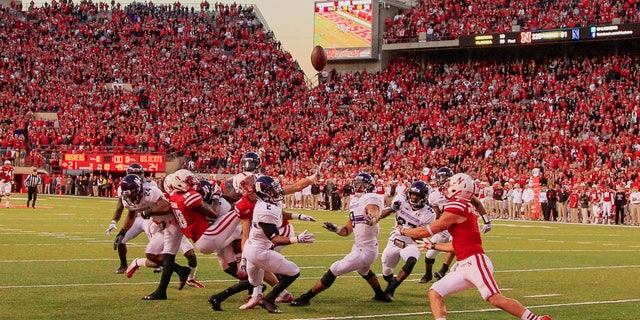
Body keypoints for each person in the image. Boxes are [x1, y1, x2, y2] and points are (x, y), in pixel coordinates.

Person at [399, 173, 552, 320]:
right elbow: (458, 245)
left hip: (475, 262)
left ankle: (536, 319)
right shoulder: (465, 206)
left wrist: (404, 230)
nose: (448, 187)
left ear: (459, 187)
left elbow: (428, 230)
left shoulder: (457, 206)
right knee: (435, 291)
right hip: (464, 264)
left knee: (495, 299)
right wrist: (434, 245)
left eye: (451, 184)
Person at [290, 173, 392, 307]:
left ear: (370, 186)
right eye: (357, 184)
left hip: (366, 250)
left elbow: (372, 209)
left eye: (363, 185)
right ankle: (380, 294)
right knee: (364, 271)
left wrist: (374, 215)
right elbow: (346, 231)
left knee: (335, 269)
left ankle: (306, 297)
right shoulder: (355, 202)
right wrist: (336, 229)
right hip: (359, 246)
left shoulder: (371, 197)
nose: (360, 187)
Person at [241, 175, 315, 313]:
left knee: (255, 282)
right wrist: (297, 239)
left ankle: (256, 297)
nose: (277, 191)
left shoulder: (267, 203)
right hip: (260, 251)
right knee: (294, 272)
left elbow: (280, 214)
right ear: (264, 193)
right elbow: (274, 238)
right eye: (272, 189)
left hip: (252, 248)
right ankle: (269, 300)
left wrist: (298, 216)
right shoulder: (265, 211)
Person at [119, 174, 192, 300]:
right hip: (160, 225)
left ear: (138, 189)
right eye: (128, 194)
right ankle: (181, 270)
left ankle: (161, 292)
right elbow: (131, 214)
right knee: (150, 254)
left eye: (131, 193)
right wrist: (122, 231)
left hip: (173, 222)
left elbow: (166, 206)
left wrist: (149, 211)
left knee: (168, 256)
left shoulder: (150, 192)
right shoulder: (128, 199)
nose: (129, 197)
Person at [420, 167, 491, 283]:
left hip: (458, 227)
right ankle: (428, 274)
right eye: (440, 178)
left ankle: (443, 270)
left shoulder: (460, 191)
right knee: (429, 255)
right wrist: (429, 224)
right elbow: (435, 214)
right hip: (444, 226)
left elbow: (477, 203)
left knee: (455, 245)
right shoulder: (435, 195)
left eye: (444, 178)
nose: (442, 180)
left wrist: (486, 220)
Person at [378, 180, 436, 301]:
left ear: (424, 197)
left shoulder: (429, 213)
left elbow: (423, 236)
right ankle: (391, 281)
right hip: (395, 240)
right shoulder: (401, 199)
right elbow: (380, 215)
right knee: (386, 272)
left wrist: (407, 232)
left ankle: (390, 290)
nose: (414, 197)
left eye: (418, 195)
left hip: (412, 243)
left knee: (411, 261)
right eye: (413, 194)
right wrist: (392, 208)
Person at [105, 163, 161, 274]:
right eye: (132, 174)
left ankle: (157, 263)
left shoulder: (151, 185)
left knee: (154, 240)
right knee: (121, 240)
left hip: (149, 217)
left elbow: (159, 203)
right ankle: (123, 265)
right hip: (134, 217)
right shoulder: (123, 188)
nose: (136, 176)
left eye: (137, 174)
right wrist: (113, 222)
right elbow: (120, 208)